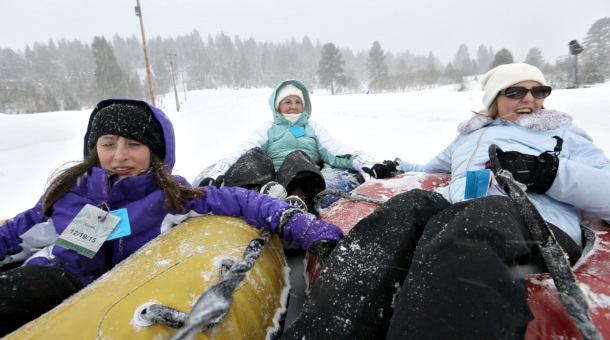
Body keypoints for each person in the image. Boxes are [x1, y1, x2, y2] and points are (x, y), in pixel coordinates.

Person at [282, 63, 610, 338]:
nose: (529, 99)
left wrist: (548, 172)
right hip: (461, 214)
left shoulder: (564, 135)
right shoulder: (469, 135)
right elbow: (429, 169)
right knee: (404, 208)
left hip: (539, 222)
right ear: (495, 99)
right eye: (516, 91)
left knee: (474, 219)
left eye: (539, 91)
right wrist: (394, 166)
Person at [0, 98, 343, 336]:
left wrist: (302, 226)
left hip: (114, 299)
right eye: (108, 143)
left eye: (133, 144)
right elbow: (17, 232)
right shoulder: (68, 194)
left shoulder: (170, 199)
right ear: (94, 148)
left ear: (156, 151)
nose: (119, 155)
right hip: (49, 277)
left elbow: (242, 201)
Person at [196, 79, 396, 212]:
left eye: (297, 101)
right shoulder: (268, 128)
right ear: (277, 106)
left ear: (304, 105)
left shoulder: (313, 128)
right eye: (287, 101)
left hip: (302, 178)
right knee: (253, 155)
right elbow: (243, 150)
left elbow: (335, 149)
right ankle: (259, 201)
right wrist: (219, 171)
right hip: (270, 182)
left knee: (297, 156)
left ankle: (295, 204)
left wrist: (364, 162)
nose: (293, 106)